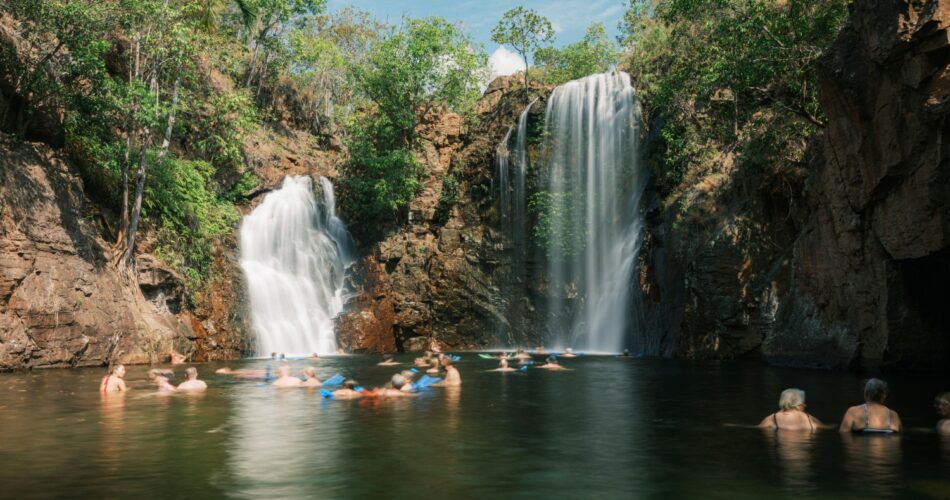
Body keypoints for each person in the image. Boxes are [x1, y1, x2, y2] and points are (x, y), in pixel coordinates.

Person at [758, 388, 825, 431]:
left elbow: (758, 428)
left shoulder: (773, 418)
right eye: (803, 402)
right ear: (799, 403)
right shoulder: (810, 419)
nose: (805, 405)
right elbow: (826, 428)